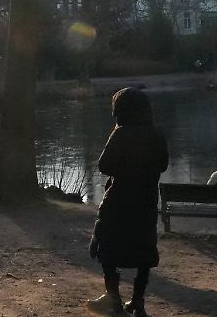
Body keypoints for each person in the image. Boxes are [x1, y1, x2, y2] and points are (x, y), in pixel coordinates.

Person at [87, 87, 169, 316]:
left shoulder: (121, 134)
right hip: (145, 201)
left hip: (119, 201)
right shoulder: (157, 134)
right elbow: (163, 164)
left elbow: (104, 166)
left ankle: (113, 299)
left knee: (108, 250)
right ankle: (138, 302)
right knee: (143, 250)